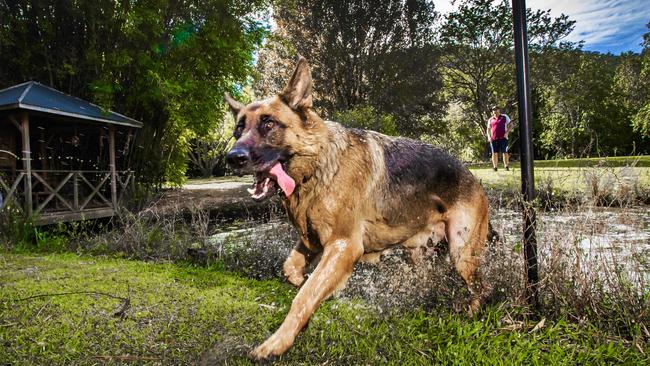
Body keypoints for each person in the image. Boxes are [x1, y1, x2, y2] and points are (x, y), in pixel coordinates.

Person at [486, 106, 513, 171]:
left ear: (499, 110)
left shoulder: (504, 117)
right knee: (494, 153)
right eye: (493, 110)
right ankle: (495, 167)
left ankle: (506, 166)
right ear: (492, 111)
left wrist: (507, 133)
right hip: (494, 139)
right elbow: (488, 129)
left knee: (505, 152)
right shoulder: (490, 119)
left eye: (496, 109)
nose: (495, 111)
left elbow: (511, 125)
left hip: (503, 138)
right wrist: (489, 137)